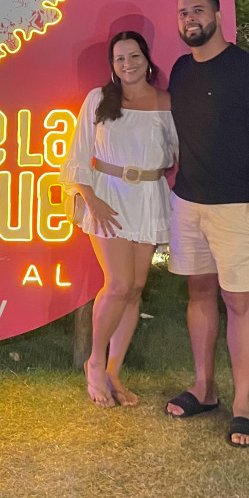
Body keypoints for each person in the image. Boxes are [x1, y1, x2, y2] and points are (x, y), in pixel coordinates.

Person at [165, 0, 249, 447]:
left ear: (218, 15)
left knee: (238, 303)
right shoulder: (180, 69)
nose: (190, 18)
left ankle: (243, 407)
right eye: (182, 13)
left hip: (237, 207)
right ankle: (204, 388)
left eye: (198, 10)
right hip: (189, 202)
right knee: (200, 293)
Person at [62, 31, 177, 407]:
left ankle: (114, 372)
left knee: (136, 286)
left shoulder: (166, 102)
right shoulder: (99, 99)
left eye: (134, 56)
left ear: (147, 59)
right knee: (119, 283)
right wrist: (91, 200)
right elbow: (79, 154)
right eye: (119, 58)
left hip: (149, 197)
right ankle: (95, 363)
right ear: (112, 65)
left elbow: (178, 151)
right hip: (107, 197)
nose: (127, 64)